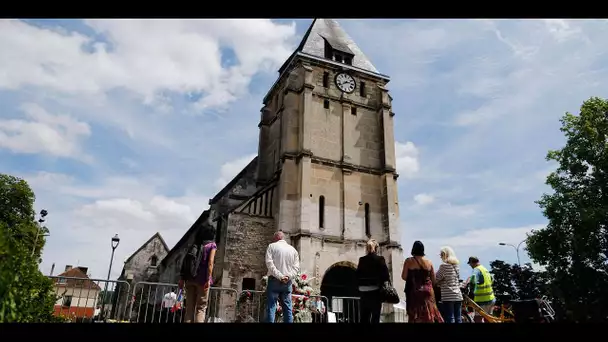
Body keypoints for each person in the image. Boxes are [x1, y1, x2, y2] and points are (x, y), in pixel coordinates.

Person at [179, 224, 217, 323]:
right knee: (201, 308)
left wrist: (182, 278)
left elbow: (185, 261)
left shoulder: (195, 245)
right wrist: (208, 279)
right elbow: (210, 263)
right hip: (203, 281)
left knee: (189, 309)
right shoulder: (212, 246)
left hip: (190, 279)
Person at [401, 241, 443, 323]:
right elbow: (434, 280)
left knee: (415, 315)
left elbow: (404, 276)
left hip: (414, 291)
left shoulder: (409, 261)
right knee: (429, 314)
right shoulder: (429, 262)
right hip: (428, 291)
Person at [265, 231, 300, 323]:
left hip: (274, 280)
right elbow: (296, 268)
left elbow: (269, 264)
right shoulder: (293, 250)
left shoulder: (271, 246)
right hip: (287, 282)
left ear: (276, 238)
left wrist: (280, 276)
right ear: (283, 238)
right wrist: (288, 277)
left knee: (271, 307)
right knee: (288, 308)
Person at [356, 239, 390, 323]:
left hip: (364, 292)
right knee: (375, 317)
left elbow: (357, 275)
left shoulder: (362, 260)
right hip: (375, 292)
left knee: (364, 317)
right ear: (376, 248)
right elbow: (385, 275)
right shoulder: (380, 259)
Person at [435, 246, 464, 323]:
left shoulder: (443, 266)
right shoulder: (456, 266)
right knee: (458, 318)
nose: (440, 257)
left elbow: (436, 279)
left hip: (448, 296)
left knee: (450, 318)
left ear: (445, 255)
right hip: (458, 295)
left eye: (441, 255)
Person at [466, 256, 495, 323]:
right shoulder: (485, 269)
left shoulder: (476, 270)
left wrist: (467, 284)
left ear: (472, 263)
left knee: (477, 318)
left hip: (482, 300)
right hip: (491, 298)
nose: (470, 265)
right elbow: (492, 280)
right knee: (488, 319)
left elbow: (472, 281)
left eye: (470, 264)